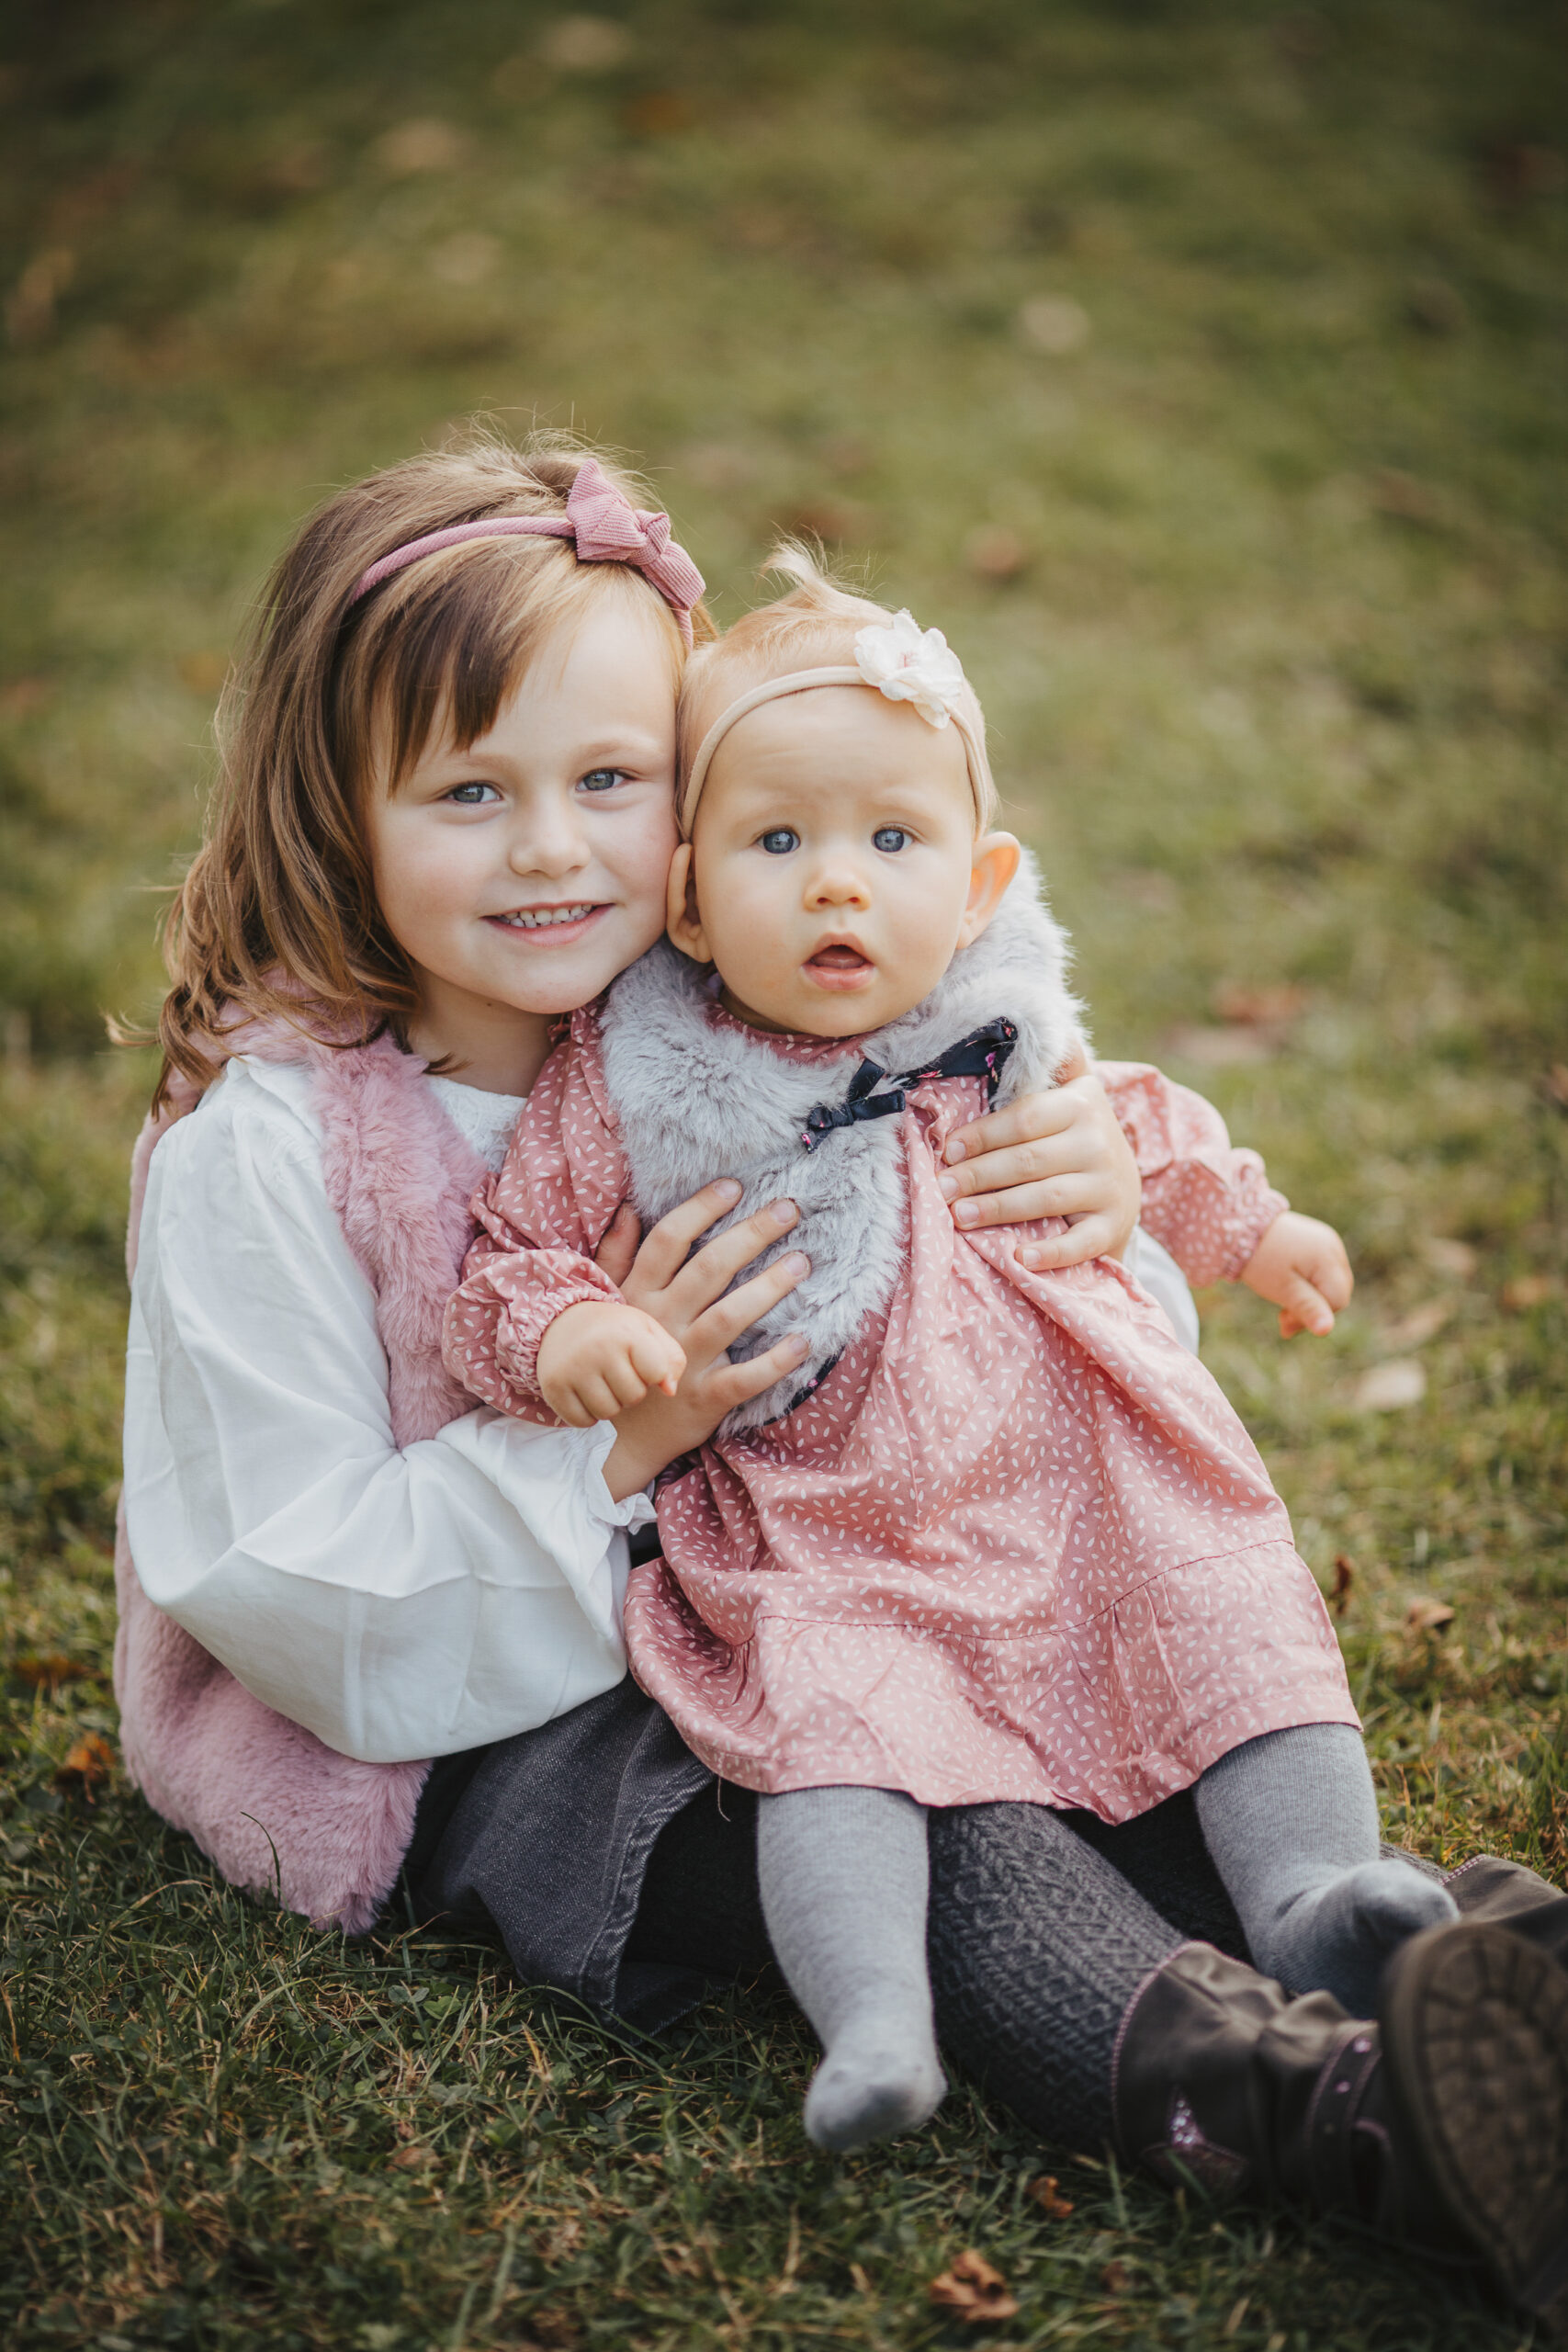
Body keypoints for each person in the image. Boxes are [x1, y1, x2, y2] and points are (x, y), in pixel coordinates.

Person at [116, 433, 1568, 2327]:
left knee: (1083, 1697)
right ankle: (1301, 2106)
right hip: (469, 1715)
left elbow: (993, 1350)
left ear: (702, 809)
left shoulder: (774, 1004)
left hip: (831, 1560)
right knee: (893, 1780)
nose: (555, 847)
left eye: (613, 782)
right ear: (336, 808)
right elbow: (293, 1588)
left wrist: (1103, 1199)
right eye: (469, 790)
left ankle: (1440, 1964)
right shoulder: (274, 1147)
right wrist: (625, 1445)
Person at [442, 553, 1461, 2157]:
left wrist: (1250, 1226)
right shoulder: (640, 1066)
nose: (839, 885)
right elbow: (513, 1255)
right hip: (824, 1509)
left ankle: (1314, 1894)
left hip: (1087, 1474)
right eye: (780, 842)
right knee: (830, 1727)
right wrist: (576, 1324)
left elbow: (1136, 1122)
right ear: (691, 893)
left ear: (980, 881)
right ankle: (872, 2025)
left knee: (1226, 1610)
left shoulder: (996, 1020)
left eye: (891, 841)